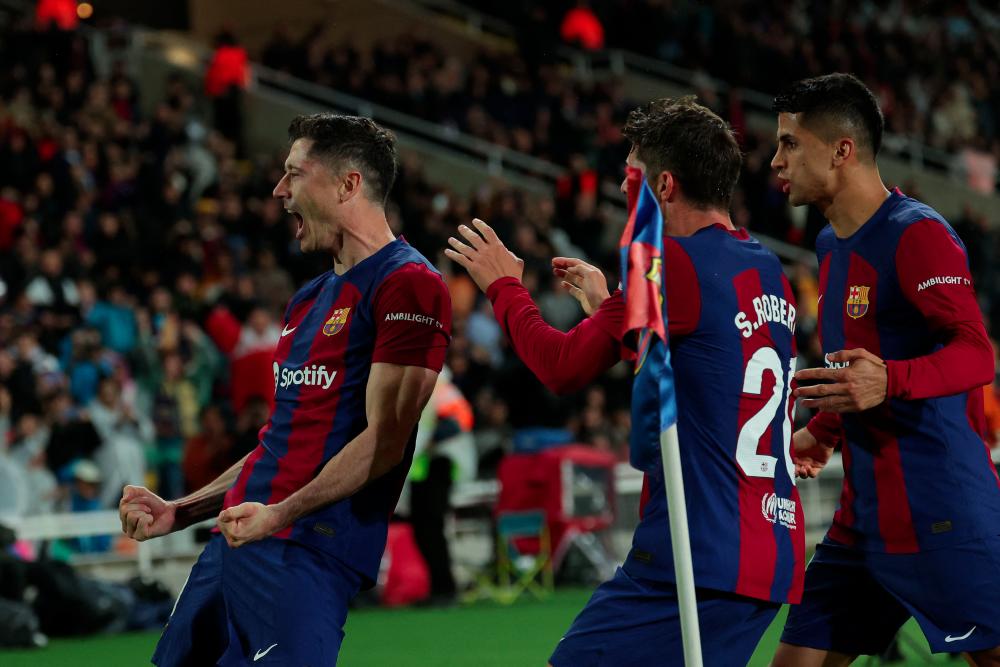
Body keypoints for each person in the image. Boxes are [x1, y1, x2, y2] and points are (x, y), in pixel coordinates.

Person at [445, 96, 804, 666]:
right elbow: (700, 360)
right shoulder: (767, 269)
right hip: (767, 548)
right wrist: (612, 306)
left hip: (693, 556)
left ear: (664, 185)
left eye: (630, 175)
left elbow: (561, 368)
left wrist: (504, 287)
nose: (620, 190)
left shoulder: (670, 266)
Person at [118, 113, 452, 666]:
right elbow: (279, 441)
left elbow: (384, 442)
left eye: (294, 174)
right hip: (235, 546)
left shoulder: (408, 285)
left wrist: (282, 514)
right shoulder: (306, 300)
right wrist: (182, 509)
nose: (278, 191)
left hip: (309, 549)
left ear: (348, 185)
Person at [768, 73, 1000, 666]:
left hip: (941, 512)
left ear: (841, 151)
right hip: (862, 520)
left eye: (790, 144)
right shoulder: (828, 245)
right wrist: (820, 431)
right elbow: (861, 365)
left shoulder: (918, 234)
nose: (775, 161)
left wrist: (890, 380)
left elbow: (977, 353)